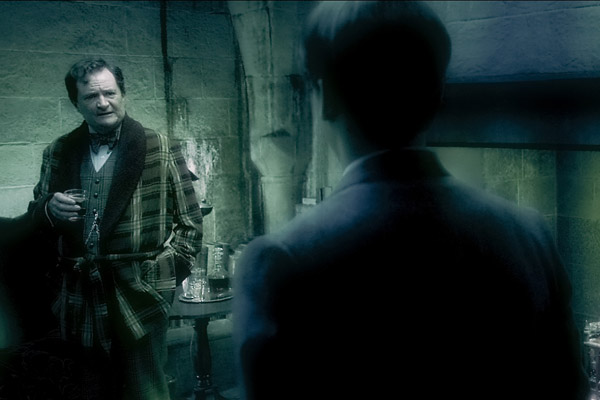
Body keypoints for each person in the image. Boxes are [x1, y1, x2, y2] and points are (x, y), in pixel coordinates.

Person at [233, 2, 589, 400]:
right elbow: (569, 388)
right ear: (437, 95)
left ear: (326, 96)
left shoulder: (279, 263)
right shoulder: (530, 235)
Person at [27, 58, 203, 400]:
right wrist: (48, 208)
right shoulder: (57, 151)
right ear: (76, 103)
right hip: (79, 297)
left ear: (123, 95)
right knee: (90, 390)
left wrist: (160, 280)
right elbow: (36, 218)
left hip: (140, 294)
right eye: (91, 96)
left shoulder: (161, 147)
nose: (102, 103)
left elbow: (191, 225)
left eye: (110, 93)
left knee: (147, 390)